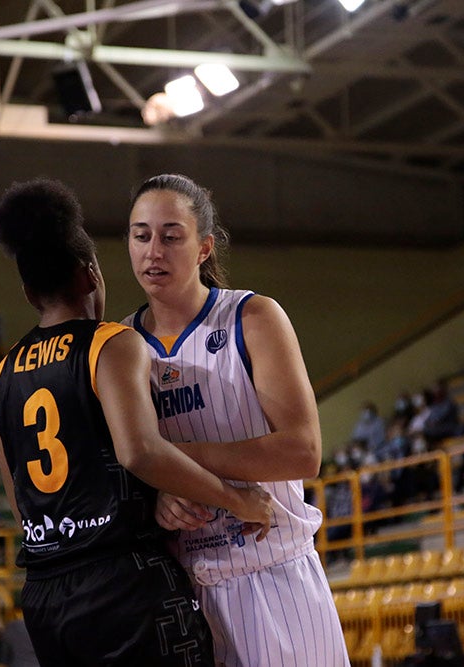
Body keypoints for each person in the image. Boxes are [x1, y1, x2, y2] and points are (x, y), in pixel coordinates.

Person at [0, 178, 274, 666]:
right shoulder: (111, 341)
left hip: (44, 588)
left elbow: (20, 497)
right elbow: (140, 451)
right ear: (91, 274)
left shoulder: (4, 372)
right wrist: (235, 498)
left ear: (27, 291)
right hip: (120, 581)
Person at [123, 173, 349, 666]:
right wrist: (159, 493)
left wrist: (172, 463)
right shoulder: (119, 345)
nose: (153, 251)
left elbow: (304, 451)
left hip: (274, 577)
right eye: (141, 236)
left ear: (203, 248)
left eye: (171, 236)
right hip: (181, 595)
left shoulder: (254, 317)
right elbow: (124, 470)